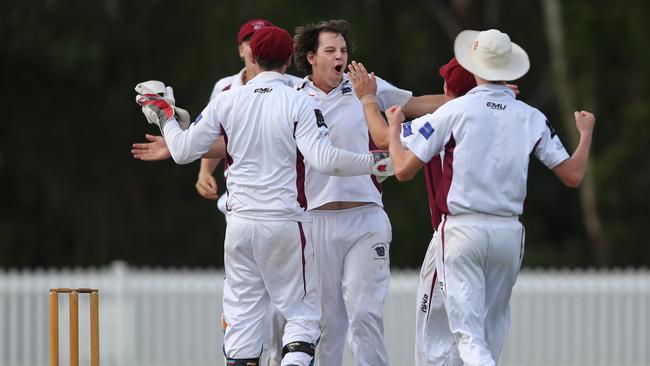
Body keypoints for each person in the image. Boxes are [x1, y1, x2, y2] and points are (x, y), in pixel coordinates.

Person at [134, 26, 392, 366]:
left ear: (252, 58)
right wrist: (374, 163)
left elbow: (182, 151)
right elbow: (326, 160)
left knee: (241, 321)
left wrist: (166, 117)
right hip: (285, 224)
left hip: (239, 226)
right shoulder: (299, 100)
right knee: (301, 318)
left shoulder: (227, 98)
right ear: (290, 60)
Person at [383, 29, 596, 366]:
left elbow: (403, 170)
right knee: (491, 330)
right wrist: (585, 136)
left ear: (474, 65)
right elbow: (572, 175)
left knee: (467, 335)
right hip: (509, 233)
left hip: (462, 231)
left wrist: (394, 131)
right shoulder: (530, 116)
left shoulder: (454, 111)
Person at [292, 20, 447, 366]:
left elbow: (419, 104)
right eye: (330, 50)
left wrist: (477, 96)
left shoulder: (364, 88)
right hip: (315, 220)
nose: (339, 57)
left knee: (365, 315)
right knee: (326, 325)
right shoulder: (293, 97)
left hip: (366, 219)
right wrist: (181, 145)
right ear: (310, 57)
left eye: (343, 51)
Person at [348, 57, 477, 366]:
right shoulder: (510, 114)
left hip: (456, 232)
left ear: (447, 88)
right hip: (506, 232)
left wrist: (368, 100)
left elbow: (384, 143)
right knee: (477, 328)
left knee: (435, 333)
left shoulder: (444, 118)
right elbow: (425, 102)